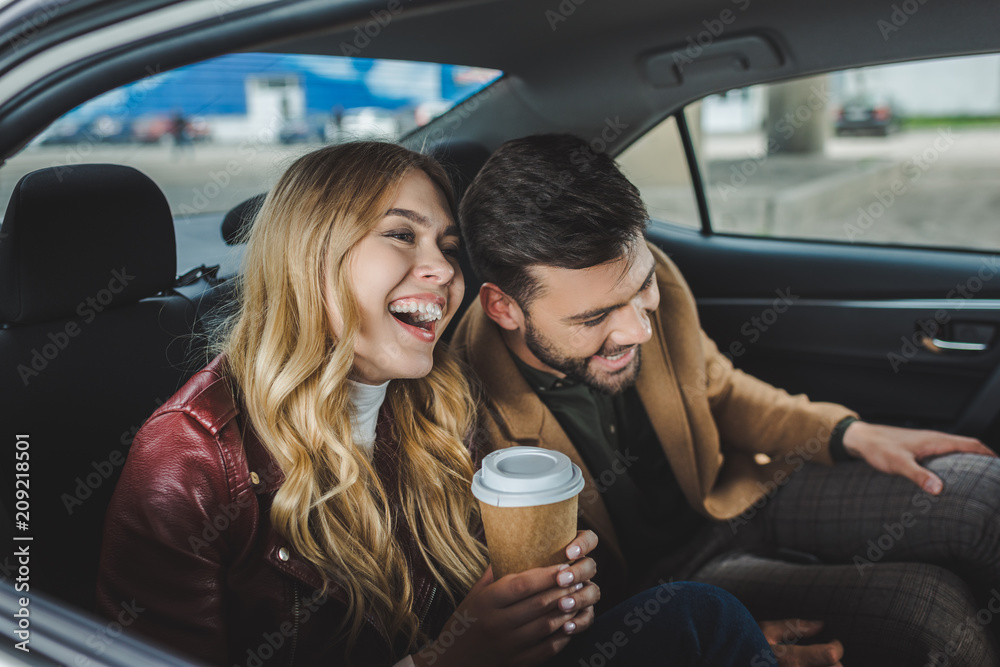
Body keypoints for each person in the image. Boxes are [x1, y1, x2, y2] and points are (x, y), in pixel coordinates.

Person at [96, 141, 775, 666]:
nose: (445, 270)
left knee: (701, 620)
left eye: (449, 247)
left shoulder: (437, 402)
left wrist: (552, 606)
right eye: (401, 234)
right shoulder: (186, 461)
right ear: (311, 255)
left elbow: (490, 609)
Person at [451, 133, 1000, 667]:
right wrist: (708, 643)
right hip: (658, 592)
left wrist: (847, 432)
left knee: (984, 495)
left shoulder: (651, 272)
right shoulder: (462, 417)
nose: (638, 330)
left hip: (734, 494)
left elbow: (719, 388)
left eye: (640, 289)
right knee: (929, 614)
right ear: (504, 308)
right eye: (593, 319)